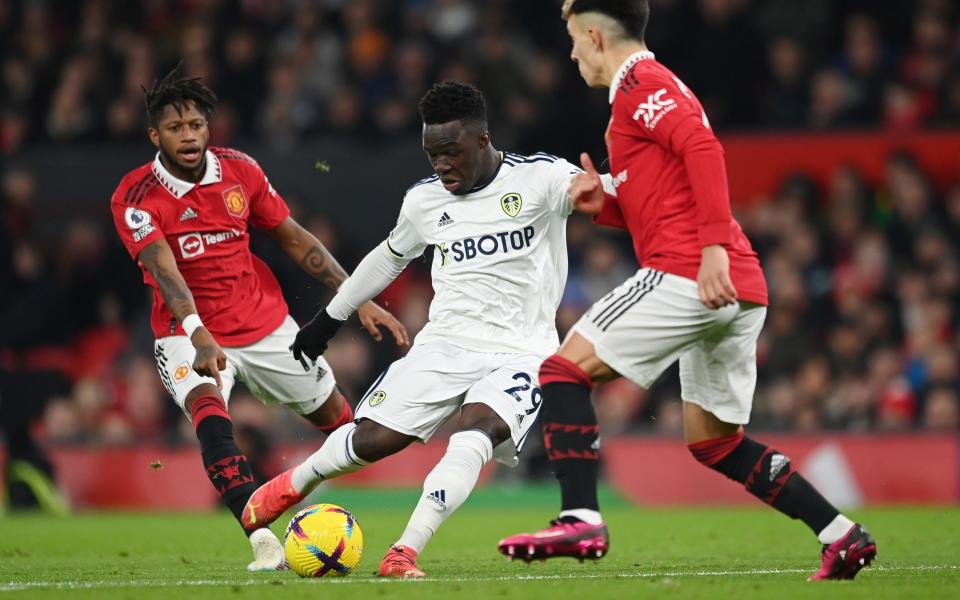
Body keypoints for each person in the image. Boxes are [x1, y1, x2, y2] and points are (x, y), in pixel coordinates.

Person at [497, 1, 878, 582]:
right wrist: (607, 206)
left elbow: (705, 150)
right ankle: (840, 535)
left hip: (692, 271)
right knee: (716, 444)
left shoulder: (642, 83)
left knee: (562, 371)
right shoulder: (639, 95)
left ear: (595, 36)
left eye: (574, 40)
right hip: (735, 286)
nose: (571, 54)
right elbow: (660, 203)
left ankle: (580, 517)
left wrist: (712, 251)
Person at [240, 81, 587, 578]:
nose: (440, 165)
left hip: (522, 351)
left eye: (450, 152)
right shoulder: (424, 202)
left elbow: (599, 193)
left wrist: (612, 188)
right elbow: (388, 257)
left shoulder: (541, 179)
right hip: (444, 344)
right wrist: (329, 320)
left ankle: (403, 552)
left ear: (483, 140)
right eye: (431, 154)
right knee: (371, 442)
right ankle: (297, 480)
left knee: (477, 433)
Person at [109, 65, 407, 571]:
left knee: (340, 423)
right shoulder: (135, 195)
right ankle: (261, 538)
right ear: (154, 135)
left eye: (197, 125)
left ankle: (299, 495)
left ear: (209, 127)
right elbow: (164, 269)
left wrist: (358, 295)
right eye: (176, 128)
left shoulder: (240, 170)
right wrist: (198, 332)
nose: (189, 136)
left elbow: (294, 238)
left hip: (266, 324)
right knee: (212, 425)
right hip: (185, 334)